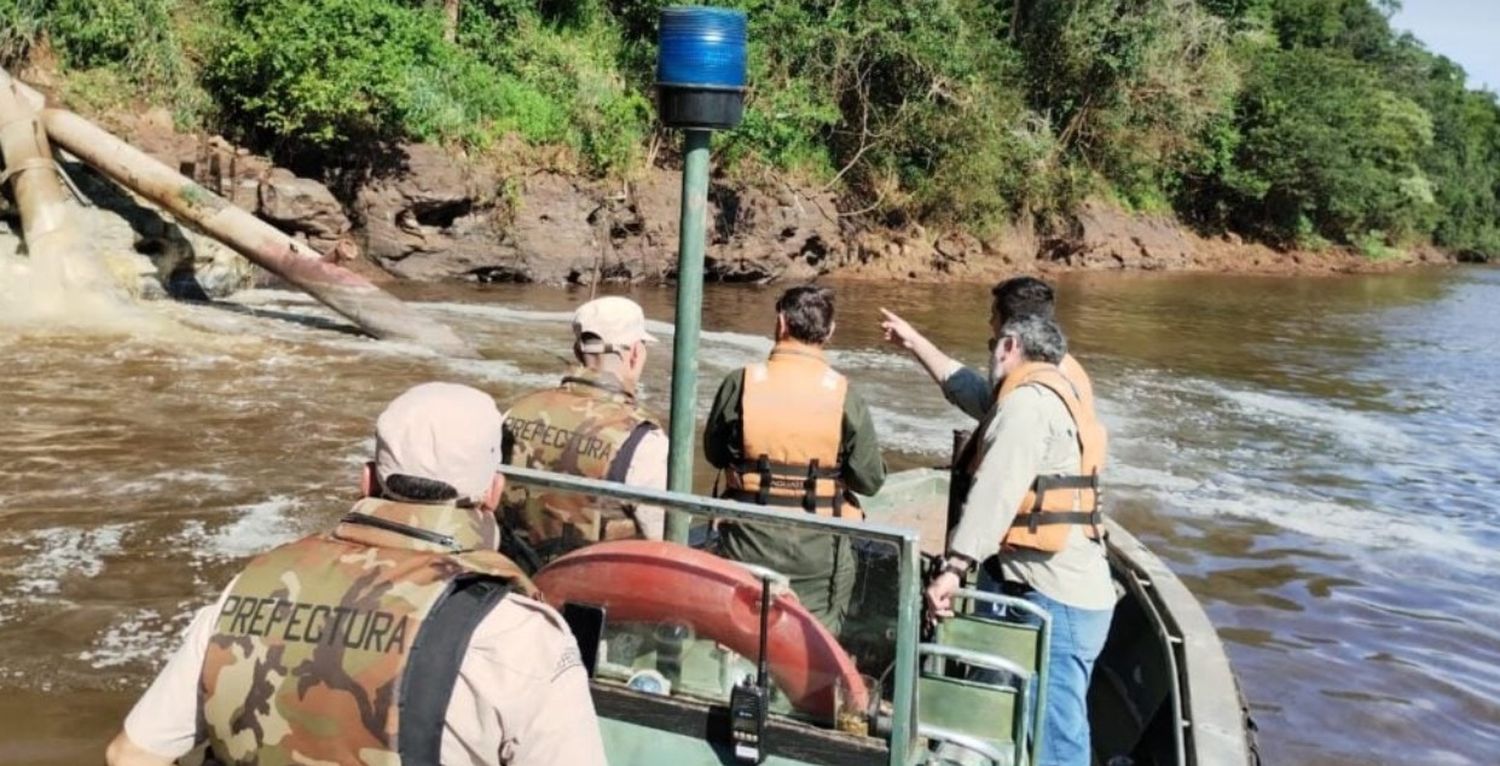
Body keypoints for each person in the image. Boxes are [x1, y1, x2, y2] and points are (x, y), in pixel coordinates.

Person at [104, 382, 607, 766]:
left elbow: (131, 754)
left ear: (366, 480)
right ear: (494, 492)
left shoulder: (250, 586)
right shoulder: (513, 633)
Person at [909, 315, 1112, 766]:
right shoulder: (1057, 392)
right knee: (1050, 723)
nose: (989, 354)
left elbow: (996, 491)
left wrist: (954, 568)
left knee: (1054, 737)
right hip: (1069, 586)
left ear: (1010, 347)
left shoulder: (1027, 404)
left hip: (1056, 595)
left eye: (991, 344)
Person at [704, 285, 886, 634]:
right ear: (829, 332)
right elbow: (870, 481)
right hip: (819, 553)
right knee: (813, 644)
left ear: (780, 323)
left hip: (747, 542)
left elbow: (714, 454)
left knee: (738, 635)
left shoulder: (739, 383)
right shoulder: (845, 395)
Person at [500, 295, 667, 571]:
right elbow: (665, 542)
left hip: (516, 582)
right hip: (599, 597)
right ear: (636, 353)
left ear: (577, 351)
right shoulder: (643, 441)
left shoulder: (514, 413)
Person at [879, 276, 1096, 423]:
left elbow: (988, 408)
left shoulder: (1034, 385)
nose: (989, 323)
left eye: (994, 315)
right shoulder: (1050, 365)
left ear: (1011, 326)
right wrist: (913, 341)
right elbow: (983, 400)